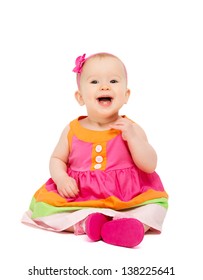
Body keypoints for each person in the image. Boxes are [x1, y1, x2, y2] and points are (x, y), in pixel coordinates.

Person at [22, 52, 168, 248]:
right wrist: (62, 179)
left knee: (153, 209)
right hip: (82, 197)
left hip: (128, 198)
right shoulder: (72, 130)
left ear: (126, 95)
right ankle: (88, 223)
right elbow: (57, 159)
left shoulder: (130, 127)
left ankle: (127, 227)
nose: (105, 86)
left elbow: (150, 165)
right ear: (80, 97)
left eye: (114, 80)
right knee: (49, 212)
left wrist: (133, 138)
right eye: (94, 81)